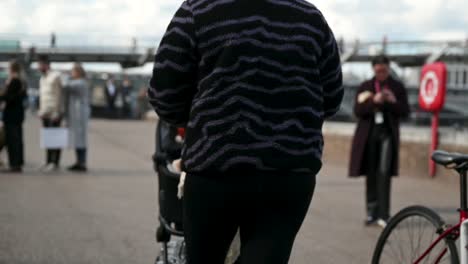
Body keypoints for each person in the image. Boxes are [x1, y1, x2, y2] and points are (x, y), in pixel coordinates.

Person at [148, 1, 344, 263]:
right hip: (288, 172)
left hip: (215, 167)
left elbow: (164, 94)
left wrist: (202, 119)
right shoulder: (309, 17)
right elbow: (331, 98)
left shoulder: (199, 10)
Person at [349, 55, 410, 228]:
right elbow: (357, 110)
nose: (381, 74)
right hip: (369, 135)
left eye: (384, 70)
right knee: (371, 173)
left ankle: (384, 214)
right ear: (373, 70)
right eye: (378, 71)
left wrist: (391, 101)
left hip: (387, 135)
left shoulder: (397, 87)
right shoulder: (365, 86)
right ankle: (371, 212)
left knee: (384, 173)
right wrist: (373, 102)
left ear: (389, 68)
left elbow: (405, 111)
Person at [0, 60, 27, 172]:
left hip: (12, 114)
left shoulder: (14, 81)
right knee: (17, 139)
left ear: (12, 69)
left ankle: (14, 164)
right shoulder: (21, 80)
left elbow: (9, 97)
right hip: (17, 113)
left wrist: (2, 95)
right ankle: (17, 162)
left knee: (12, 140)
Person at [38, 55, 63, 171]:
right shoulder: (42, 78)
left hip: (54, 113)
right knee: (47, 138)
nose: (39, 67)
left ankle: (55, 162)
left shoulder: (56, 76)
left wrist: (57, 113)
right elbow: (43, 97)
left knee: (55, 138)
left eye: (40, 65)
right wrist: (41, 111)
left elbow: (59, 95)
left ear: (46, 65)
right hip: (45, 113)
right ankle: (48, 161)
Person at [64, 63, 90, 172]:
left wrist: (66, 77)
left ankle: (82, 162)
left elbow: (65, 85)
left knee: (80, 140)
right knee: (77, 140)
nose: (71, 74)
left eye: (73, 72)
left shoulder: (80, 82)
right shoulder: (80, 82)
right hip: (77, 114)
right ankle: (79, 161)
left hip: (80, 115)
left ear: (78, 73)